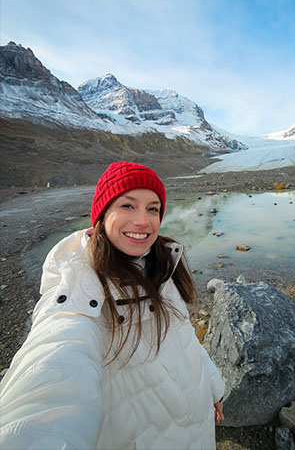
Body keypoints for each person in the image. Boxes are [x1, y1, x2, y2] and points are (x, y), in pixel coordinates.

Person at [0, 162, 225, 449]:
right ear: (103, 214)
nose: (143, 221)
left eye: (153, 209)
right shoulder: (80, 287)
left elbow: (185, 340)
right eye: (128, 206)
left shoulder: (162, 266)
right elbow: (53, 370)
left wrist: (214, 390)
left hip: (198, 431)